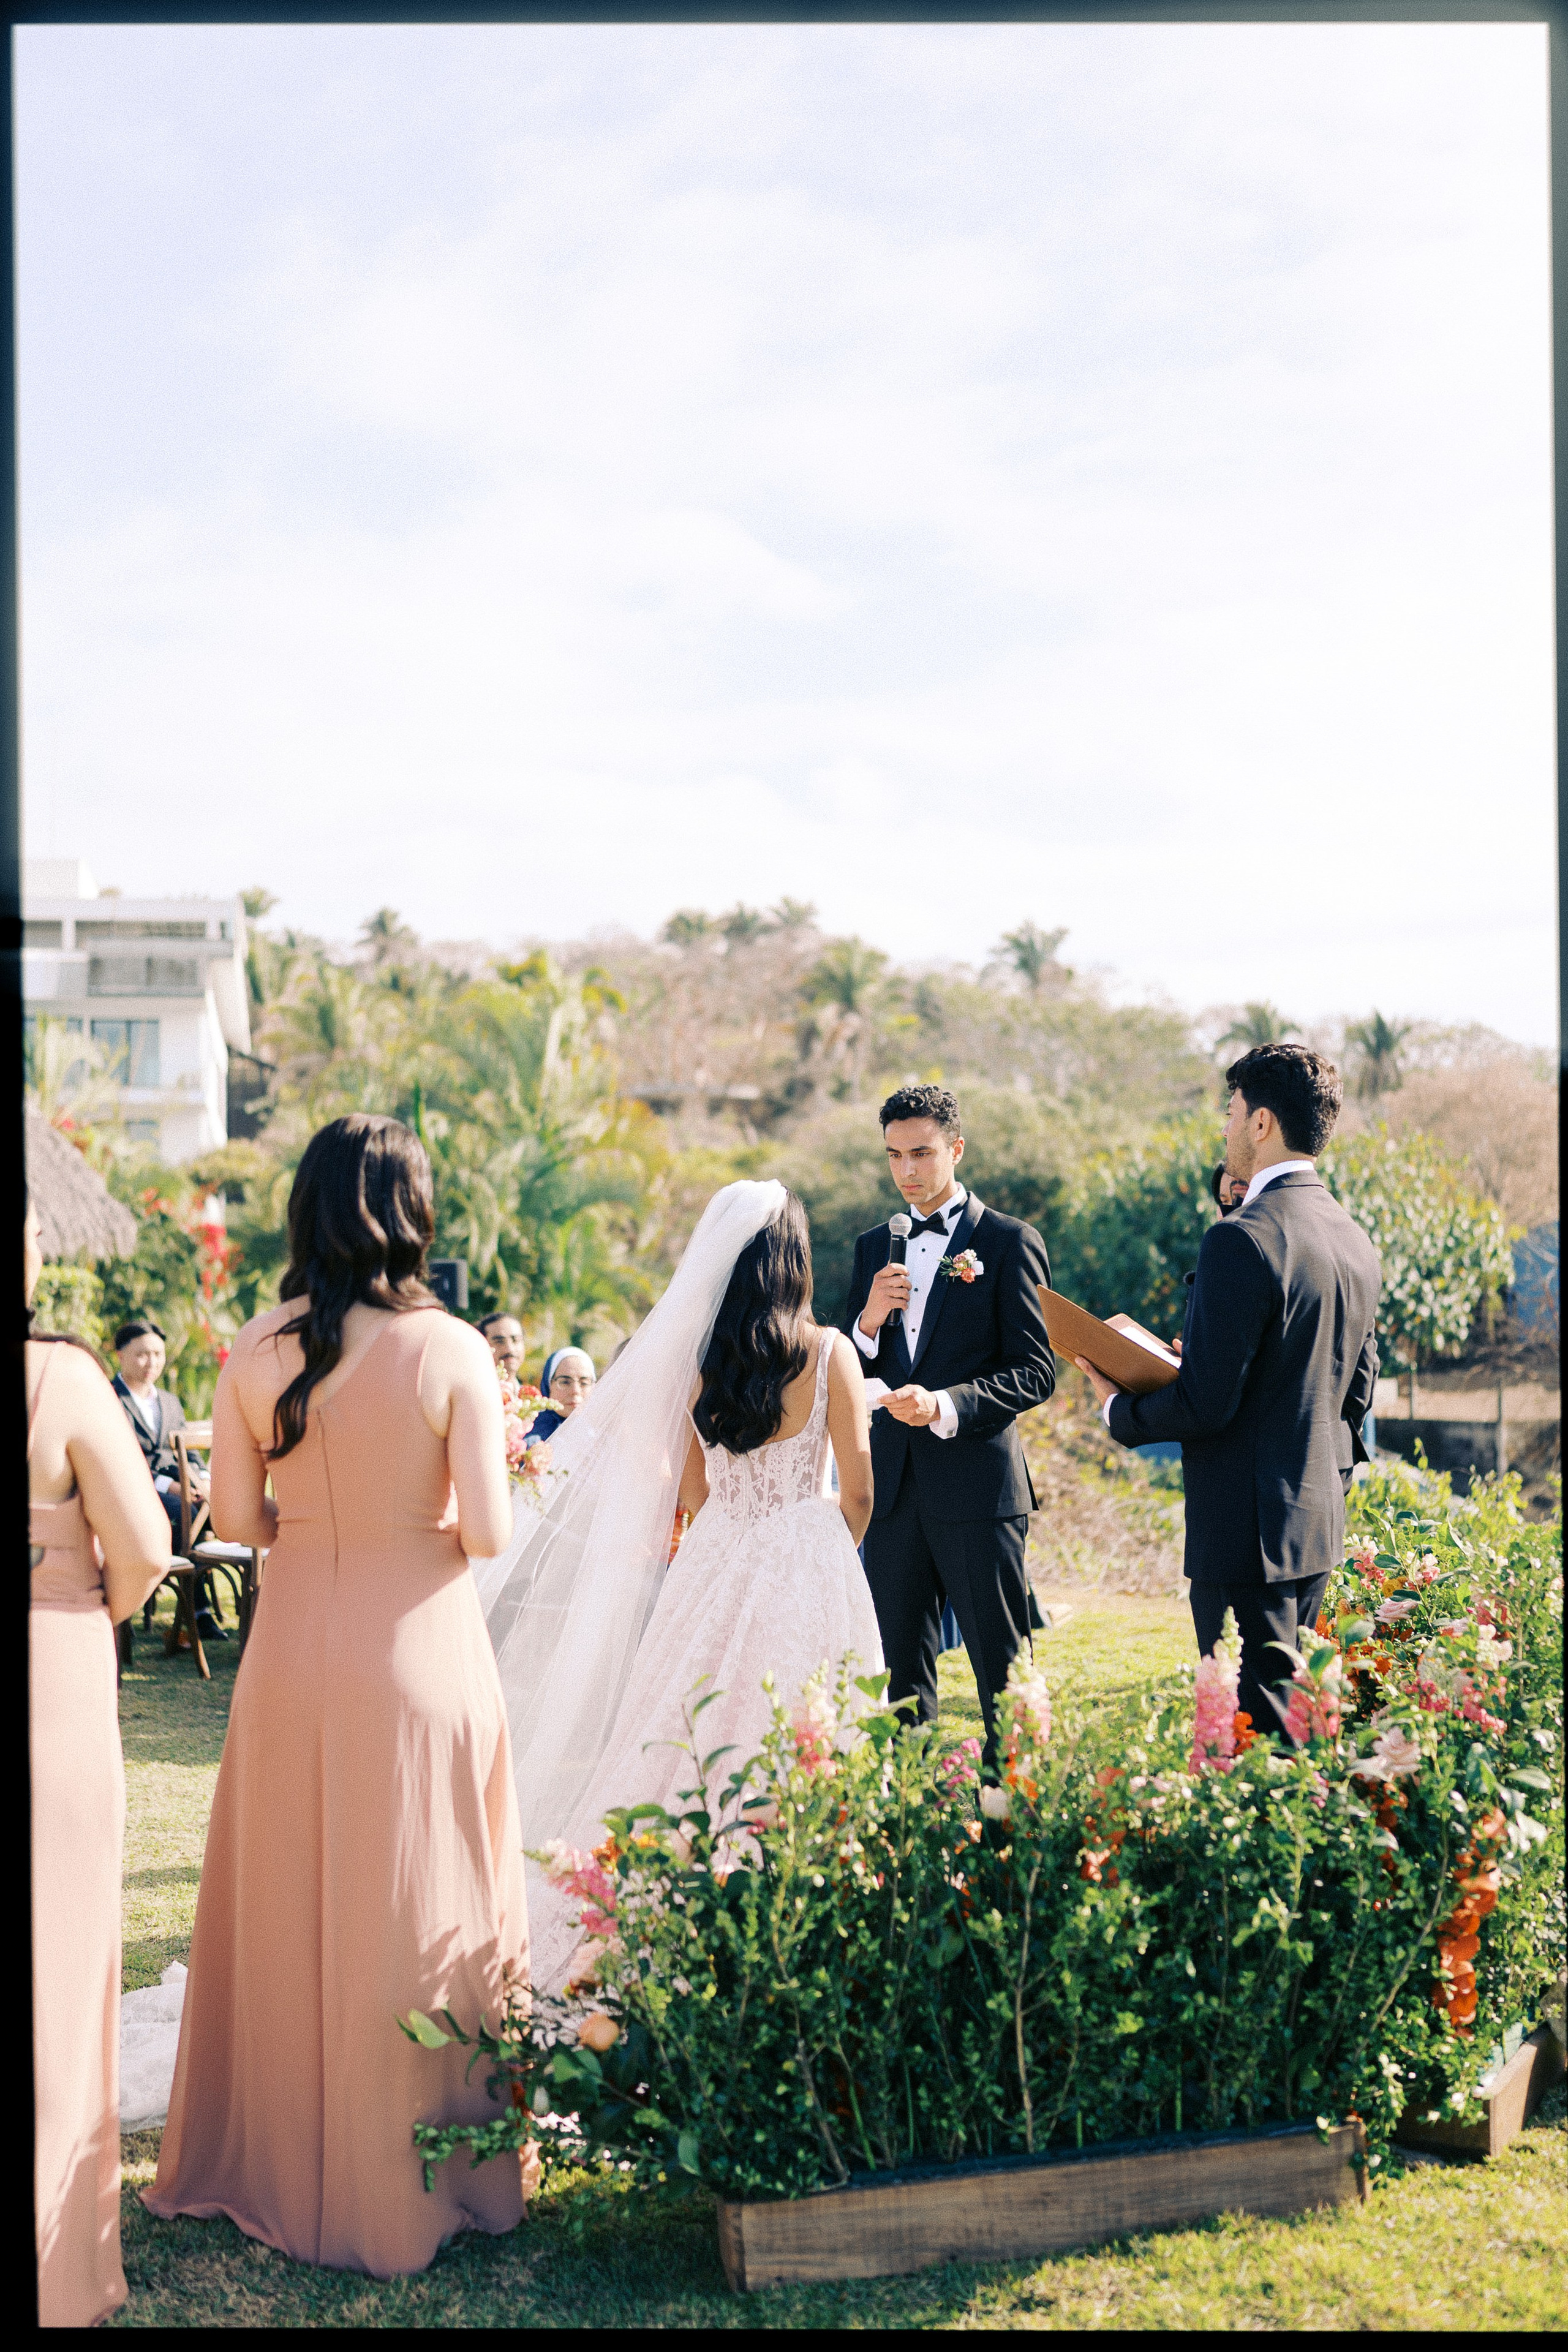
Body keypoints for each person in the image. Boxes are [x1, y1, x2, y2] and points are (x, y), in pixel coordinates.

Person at [145, 1115, 528, 2277]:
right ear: (411, 1213)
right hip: (419, 1649)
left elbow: (242, 1520)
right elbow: (493, 1530)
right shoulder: (452, 1348)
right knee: (418, 1903)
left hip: (295, 1649)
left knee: (291, 1897)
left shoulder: (252, 1351)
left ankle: (281, 2151)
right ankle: (429, 2168)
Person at [476, 1182, 880, 1992]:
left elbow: (691, 1493)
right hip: (807, 1549)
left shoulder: (702, 1364)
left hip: (717, 1555)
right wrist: (822, 1542)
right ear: (795, 1260)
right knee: (803, 1730)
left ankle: (643, 1908)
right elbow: (862, 1490)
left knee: (684, 1730)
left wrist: (741, 1518)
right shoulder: (832, 1351)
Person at [1079, 1044, 1381, 1736]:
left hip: (1244, 1539)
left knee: (1243, 1738)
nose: (1224, 1128)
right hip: (1314, 1529)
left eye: (1229, 1112)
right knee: (1294, 1730)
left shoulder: (1240, 1238)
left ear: (1261, 1124)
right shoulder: (1352, 1237)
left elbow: (1205, 1406)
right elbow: (1352, 1389)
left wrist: (1115, 1404)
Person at [27, 1199, 172, 2327]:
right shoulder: (62, 1380)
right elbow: (148, 1548)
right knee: (57, 1962)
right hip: (51, 1672)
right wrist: (80, 1611)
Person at [843, 1085, 1055, 1763]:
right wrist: (867, 1323)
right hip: (893, 1495)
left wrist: (948, 1405)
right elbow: (847, 1367)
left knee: (1003, 1672)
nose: (908, 1170)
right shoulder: (873, 1246)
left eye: (922, 1154)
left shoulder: (1009, 1242)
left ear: (956, 1149)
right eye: (894, 1156)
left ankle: (1013, 1818)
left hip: (978, 1491)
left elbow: (1034, 1371)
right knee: (898, 1677)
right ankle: (914, 1817)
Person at [111, 1319, 225, 1643]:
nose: (152, 1363)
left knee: (207, 1511)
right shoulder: (111, 1399)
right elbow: (122, 1461)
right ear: (120, 1354)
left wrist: (202, 1479)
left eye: (158, 1354)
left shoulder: (169, 1401)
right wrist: (171, 1487)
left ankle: (193, 1613)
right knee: (183, 1512)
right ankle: (197, 1614)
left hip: (182, 1491)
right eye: (142, 1355)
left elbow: (188, 1453)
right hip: (135, 1493)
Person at [527, 1344, 595, 1443]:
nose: (575, 1391)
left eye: (584, 1383)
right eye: (565, 1382)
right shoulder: (527, 1436)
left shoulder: (602, 1435)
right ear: (548, 1385)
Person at [476, 1311, 526, 1379]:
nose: (510, 1349)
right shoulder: (474, 1388)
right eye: (500, 1342)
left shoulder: (530, 1388)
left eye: (516, 1340)